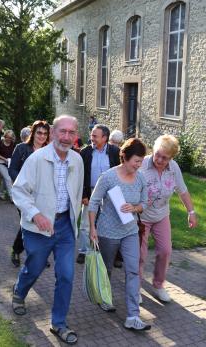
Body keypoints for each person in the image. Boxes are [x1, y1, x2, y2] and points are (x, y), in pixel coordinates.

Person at [11, 115, 83, 345]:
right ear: (53, 133)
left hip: (64, 227)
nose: (66, 137)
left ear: (76, 135)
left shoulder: (77, 160)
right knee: (35, 266)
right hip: (38, 227)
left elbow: (77, 195)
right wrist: (36, 214)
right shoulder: (37, 159)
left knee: (66, 275)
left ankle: (58, 323)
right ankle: (19, 292)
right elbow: (19, 192)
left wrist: (81, 224)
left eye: (72, 132)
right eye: (62, 131)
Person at [88, 138, 151, 331]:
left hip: (130, 231)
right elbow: (93, 202)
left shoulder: (140, 178)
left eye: (141, 161)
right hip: (108, 232)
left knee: (133, 270)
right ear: (124, 157)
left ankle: (133, 316)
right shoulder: (108, 177)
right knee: (106, 269)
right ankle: (105, 298)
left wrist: (135, 207)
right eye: (136, 161)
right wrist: (92, 229)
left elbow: (145, 203)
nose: (139, 165)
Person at [139, 134, 197, 303]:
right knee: (139, 255)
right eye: (157, 154)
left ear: (171, 157)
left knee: (165, 251)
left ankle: (158, 285)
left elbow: (183, 190)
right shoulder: (142, 164)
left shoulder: (173, 168)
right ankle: (135, 288)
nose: (159, 159)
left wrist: (191, 212)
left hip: (161, 214)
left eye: (165, 157)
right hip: (140, 216)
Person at [8, 120, 50, 267]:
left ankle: (38, 255)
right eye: (39, 132)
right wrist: (21, 185)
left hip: (43, 195)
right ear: (33, 132)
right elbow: (12, 169)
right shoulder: (21, 148)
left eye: (45, 133)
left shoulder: (49, 151)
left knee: (40, 224)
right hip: (24, 194)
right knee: (27, 223)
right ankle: (16, 250)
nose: (42, 136)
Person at [77, 124, 121, 264]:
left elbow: (122, 171)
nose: (92, 138)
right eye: (92, 135)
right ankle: (84, 251)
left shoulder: (116, 151)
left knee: (114, 222)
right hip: (91, 192)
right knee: (85, 224)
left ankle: (114, 254)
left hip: (112, 192)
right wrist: (84, 194)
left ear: (105, 137)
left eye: (95, 136)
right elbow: (81, 175)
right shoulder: (85, 152)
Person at [0, 130, 15, 201]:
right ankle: (12, 198)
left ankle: (1, 193)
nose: (9, 139)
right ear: (5, 136)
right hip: (0, 162)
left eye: (10, 138)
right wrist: (4, 159)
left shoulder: (12, 143)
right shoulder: (0, 142)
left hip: (9, 163)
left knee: (5, 179)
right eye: (7, 137)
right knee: (8, 178)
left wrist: (10, 160)